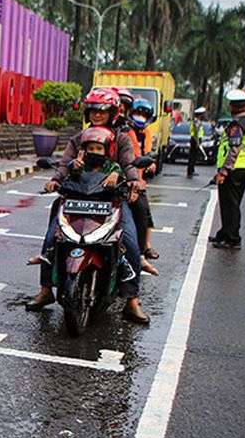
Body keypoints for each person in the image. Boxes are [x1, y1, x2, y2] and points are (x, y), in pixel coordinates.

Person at [26, 87, 149, 324]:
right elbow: (63, 165)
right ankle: (45, 290)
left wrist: (132, 181)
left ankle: (132, 301)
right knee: (52, 239)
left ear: (113, 112)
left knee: (131, 245)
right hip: (76, 200)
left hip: (110, 203)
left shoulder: (121, 139)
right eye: (92, 110)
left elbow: (129, 165)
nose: (97, 114)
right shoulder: (77, 139)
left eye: (102, 111)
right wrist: (55, 180)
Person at [211, 88, 245, 249]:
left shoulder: (236, 125)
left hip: (233, 169)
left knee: (229, 204)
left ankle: (232, 238)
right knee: (233, 202)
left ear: (234, 107)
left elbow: (234, 149)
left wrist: (224, 171)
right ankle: (225, 233)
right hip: (244, 167)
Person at [127, 98, 159, 268]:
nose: (139, 117)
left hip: (137, 179)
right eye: (137, 113)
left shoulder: (146, 133)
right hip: (118, 177)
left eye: (143, 115)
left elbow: (148, 153)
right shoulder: (123, 131)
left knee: (143, 211)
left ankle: (142, 250)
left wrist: (150, 164)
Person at [189, 106, 208, 177]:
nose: (204, 115)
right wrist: (197, 142)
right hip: (195, 139)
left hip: (194, 139)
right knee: (193, 156)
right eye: (203, 114)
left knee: (193, 156)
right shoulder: (197, 121)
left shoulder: (196, 121)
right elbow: (195, 132)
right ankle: (191, 171)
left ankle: (191, 170)